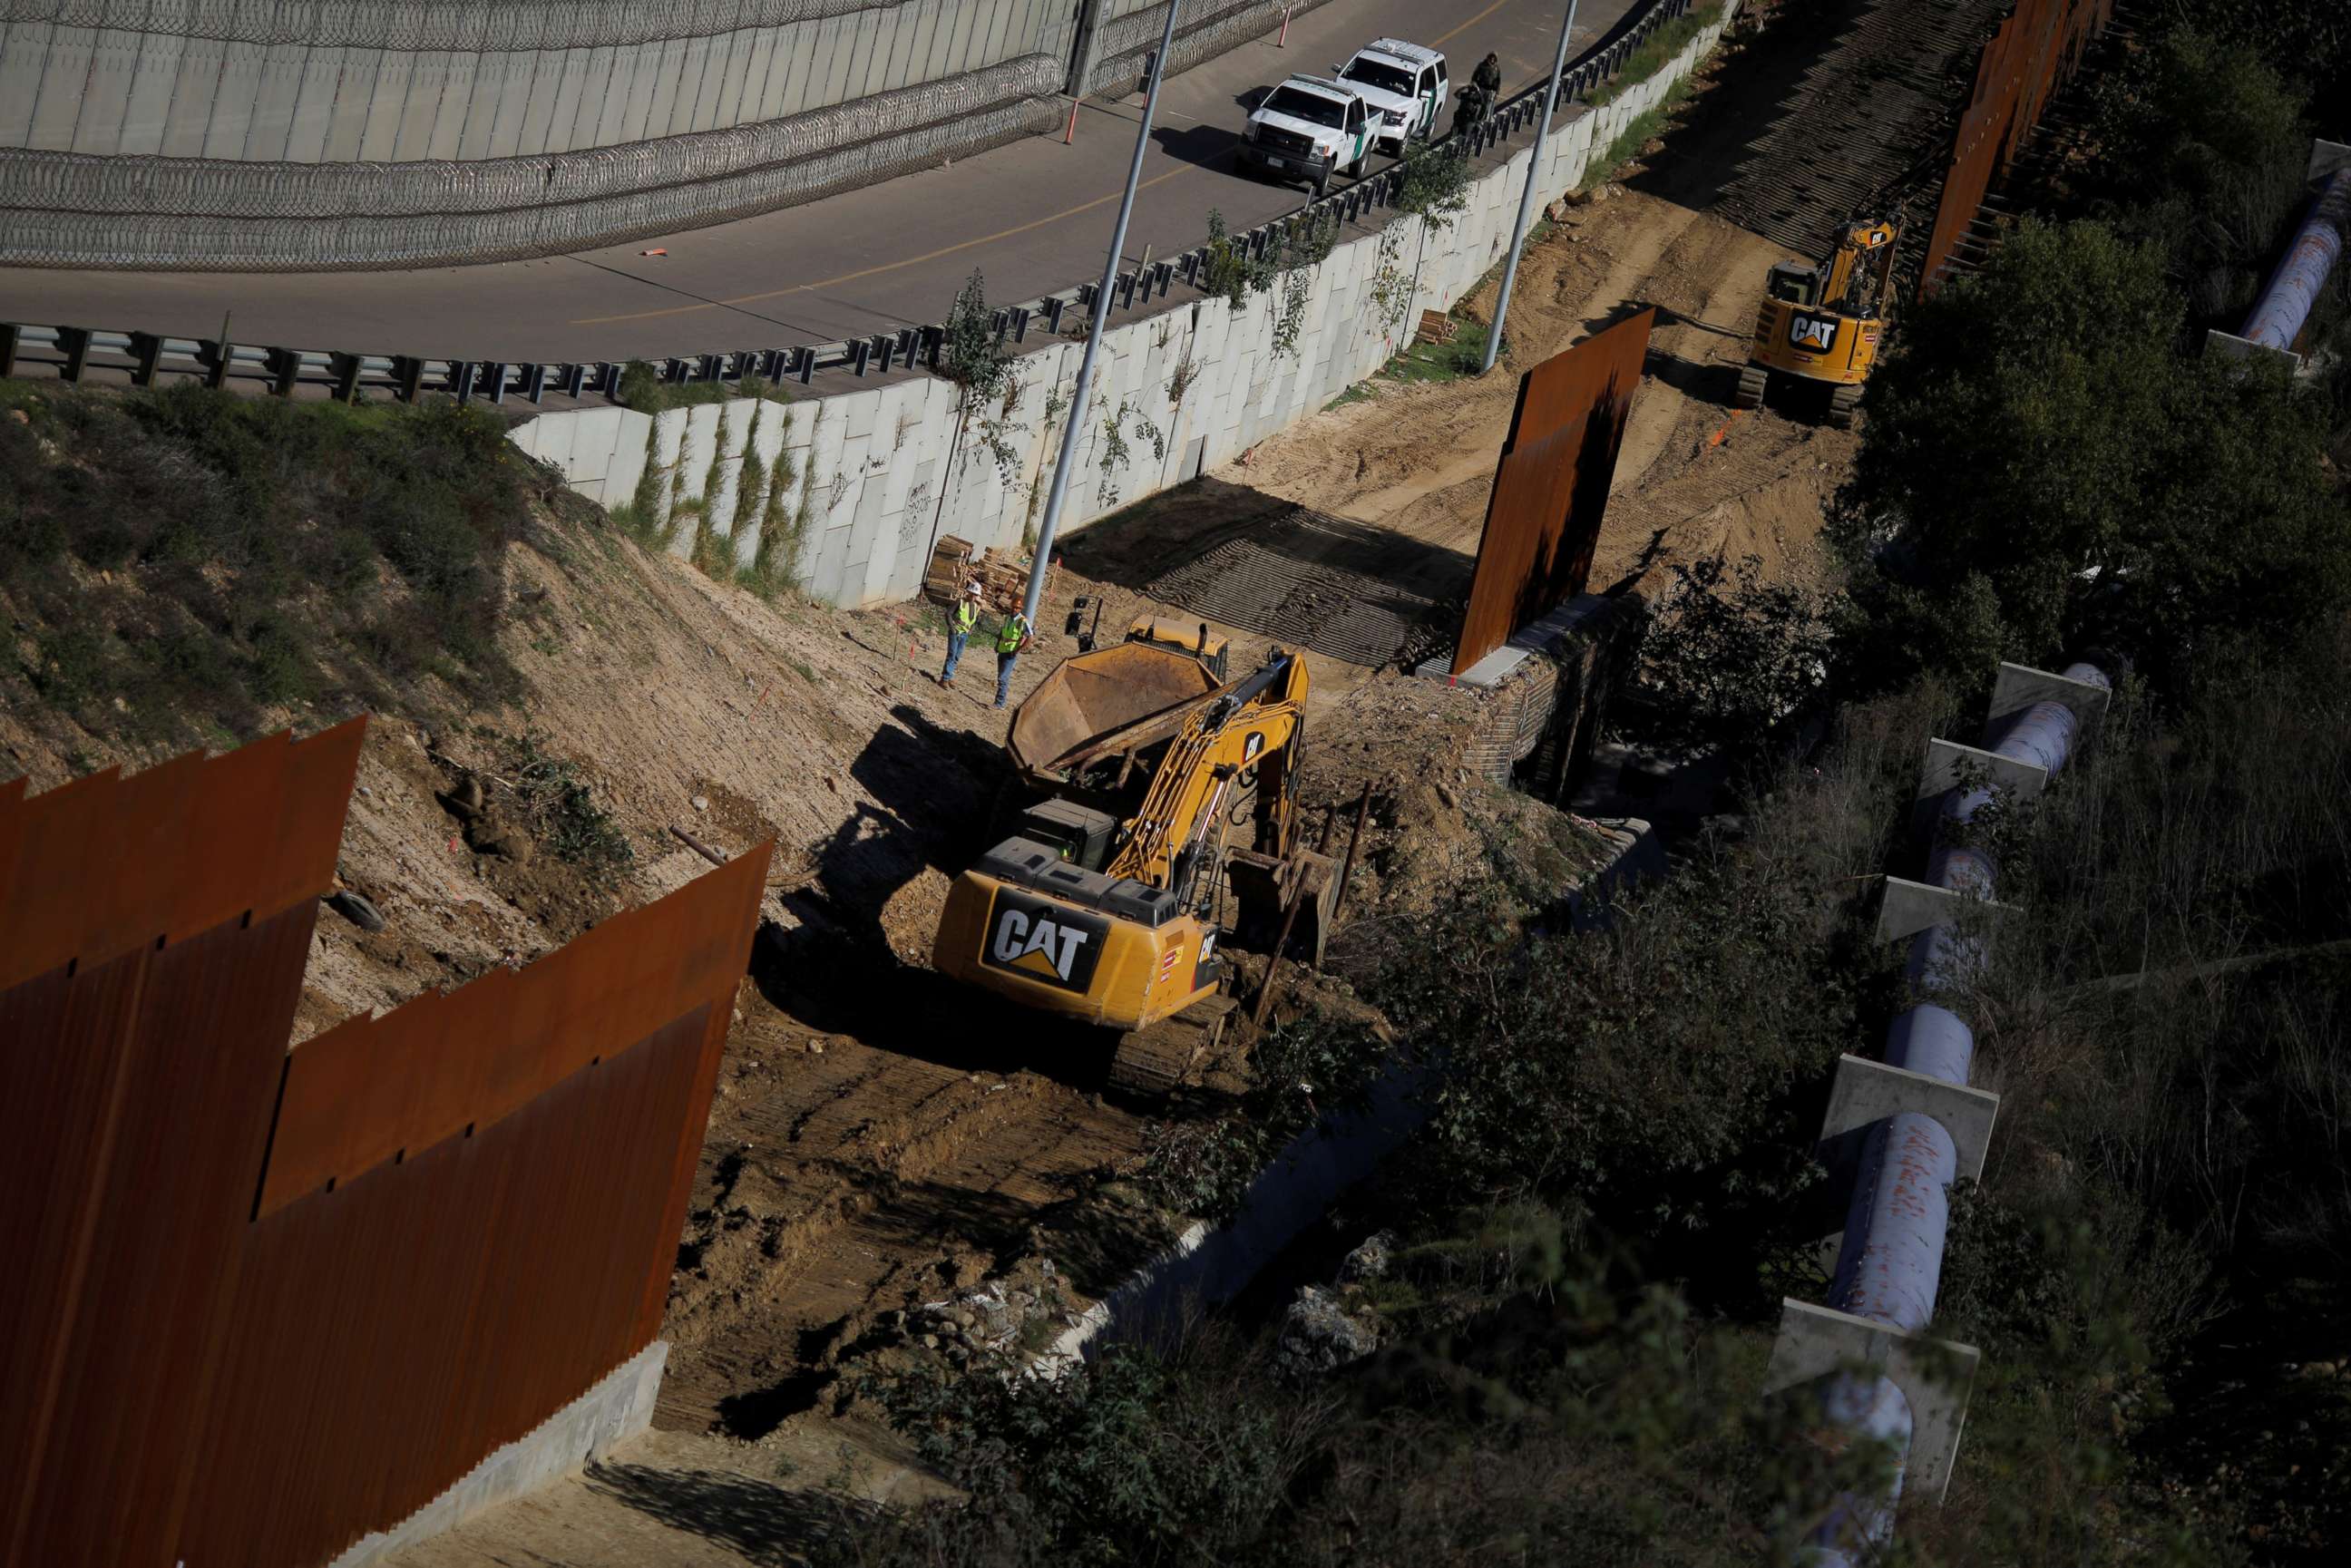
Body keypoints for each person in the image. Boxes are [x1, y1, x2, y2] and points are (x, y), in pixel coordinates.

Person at [940, 579, 981, 686]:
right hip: (956, 631)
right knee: (952, 654)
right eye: (972, 593)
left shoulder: (976, 607)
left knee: (957, 656)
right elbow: (948, 613)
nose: (973, 596)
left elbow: (974, 621)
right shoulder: (960, 602)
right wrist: (952, 628)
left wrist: (971, 630)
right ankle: (945, 678)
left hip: (964, 634)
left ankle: (949, 676)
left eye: (975, 595)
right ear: (968, 592)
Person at [992, 608, 1033, 709]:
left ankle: (999, 703)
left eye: (1017, 608)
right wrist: (997, 645)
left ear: (1020, 609)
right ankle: (999, 703)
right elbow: (1002, 632)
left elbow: (1030, 637)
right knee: (1001, 677)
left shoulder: (1022, 621)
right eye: (1014, 607)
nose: (1015, 609)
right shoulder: (1008, 618)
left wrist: (1018, 650)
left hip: (1011, 652)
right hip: (1002, 649)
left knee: (1003, 677)